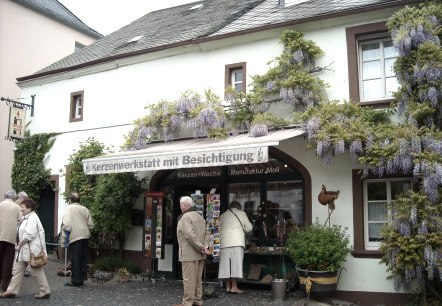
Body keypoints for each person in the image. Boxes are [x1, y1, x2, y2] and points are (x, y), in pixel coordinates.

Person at [0, 198, 50, 299]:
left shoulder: (32, 218)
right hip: (24, 250)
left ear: (29, 208)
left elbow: (29, 235)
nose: (21, 209)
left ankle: (45, 291)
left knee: (36, 270)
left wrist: (19, 244)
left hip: (30, 250)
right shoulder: (26, 217)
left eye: (22, 207)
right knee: (17, 270)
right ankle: (11, 291)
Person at [174, 196, 210, 306]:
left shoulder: (185, 217)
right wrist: (205, 247)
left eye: (181, 205)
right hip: (200, 254)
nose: (180, 207)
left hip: (189, 254)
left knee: (189, 280)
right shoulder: (200, 217)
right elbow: (207, 233)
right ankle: (197, 302)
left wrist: (201, 247)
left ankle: (187, 303)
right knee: (197, 280)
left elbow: (189, 235)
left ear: (185, 206)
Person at [218, 200, 253, 294]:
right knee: (235, 264)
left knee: (226, 265)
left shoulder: (223, 215)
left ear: (230, 207)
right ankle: (234, 287)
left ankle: (228, 286)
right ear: (239, 207)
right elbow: (249, 228)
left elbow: (218, 228)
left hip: (224, 243)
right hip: (237, 242)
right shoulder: (242, 213)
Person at [62, 192, 94, 287]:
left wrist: (65, 237)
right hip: (85, 236)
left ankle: (76, 281)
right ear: (79, 200)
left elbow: (67, 224)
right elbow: (91, 225)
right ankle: (81, 279)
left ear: (70, 200)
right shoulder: (85, 209)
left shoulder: (69, 209)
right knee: (83, 258)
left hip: (75, 236)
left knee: (75, 259)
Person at [0, 190, 21, 292]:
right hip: (11, 238)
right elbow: (20, 221)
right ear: (14, 198)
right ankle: (5, 285)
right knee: (7, 262)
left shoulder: (0, 205)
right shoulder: (17, 207)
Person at [15, 192, 30, 277]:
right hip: (21, 229)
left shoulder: (14, 203)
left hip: (16, 230)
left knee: (18, 252)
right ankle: (26, 270)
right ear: (23, 197)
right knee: (23, 250)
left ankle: (18, 269)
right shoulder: (22, 205)